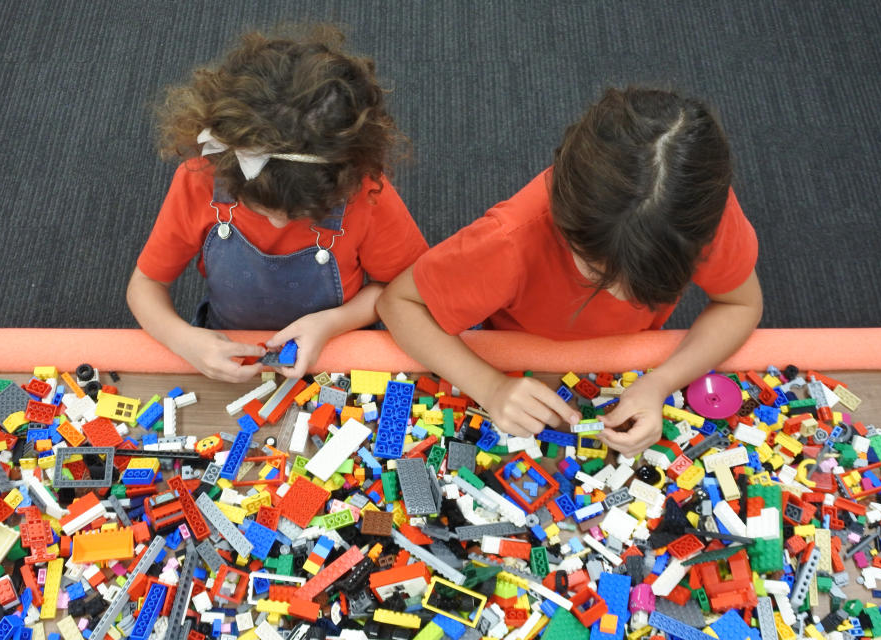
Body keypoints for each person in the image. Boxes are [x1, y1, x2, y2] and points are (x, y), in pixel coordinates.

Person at [378, 87, 762, 458]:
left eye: (651, 281)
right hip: (522, 352)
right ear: (565, 221)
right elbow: (399, 304)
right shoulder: (509, 242)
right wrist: (490, 386)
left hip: (625, 362)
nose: (621, 296)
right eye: (597, 270)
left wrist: (660, 382)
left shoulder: (698, 217)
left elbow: (739, 305)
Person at [127, 26, 428, 382]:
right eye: (260, 207)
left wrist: (332, 323)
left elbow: (409, 288)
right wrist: (185, 341)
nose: (279, 225)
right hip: (225, 345)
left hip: (339, 342)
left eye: (301, 213)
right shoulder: (200, 178)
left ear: (345, 178)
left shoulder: (365, 194)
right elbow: (144, 285)